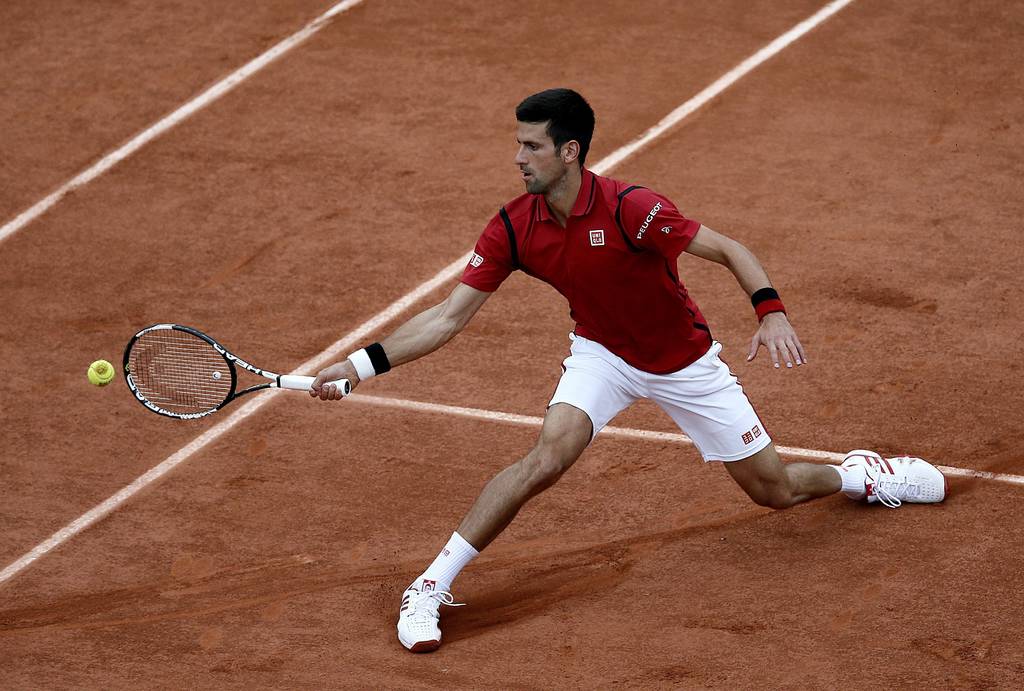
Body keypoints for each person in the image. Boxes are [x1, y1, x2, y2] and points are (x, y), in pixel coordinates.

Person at [309, 88, 947, 653]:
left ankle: (861, 475)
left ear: (570, 152)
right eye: (518, 144)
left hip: (684, 363)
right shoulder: (514, 226)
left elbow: (728, 248)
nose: (518, 158)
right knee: (545, 458)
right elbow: (447, 317)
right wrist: (359, 366)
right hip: (603, 355)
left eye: (532, 146)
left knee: (774, 490)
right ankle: (429, 586)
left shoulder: (630, 208)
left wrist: (770, 311)